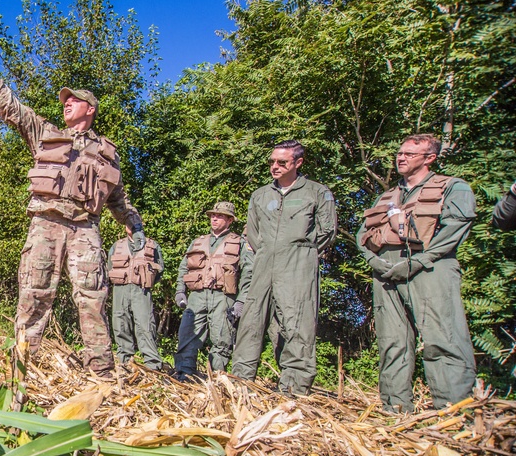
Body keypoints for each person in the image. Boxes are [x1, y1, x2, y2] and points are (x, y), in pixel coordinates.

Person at [0, 40, 144, 376]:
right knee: (34, 296)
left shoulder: (107, 152)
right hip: (46, 225)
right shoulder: (46, 134)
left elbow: (119, 199)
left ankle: (102, 373)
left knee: (93, 299)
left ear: (90, 108)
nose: (66, 104)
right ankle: (20, 370)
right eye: (65, 101)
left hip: (85, 229)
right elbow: (13, 108)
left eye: (74, 100)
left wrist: (134, 225)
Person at [356, 134, 477, 412]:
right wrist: (373, 261)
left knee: (442, 338)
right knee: (392, 342)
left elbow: (454, 231)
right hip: (385, 271)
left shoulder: (453, 188)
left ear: (429, 158)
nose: (401, 158)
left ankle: (452, 411)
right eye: (400, 153)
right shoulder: (387, 195)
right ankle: (395, 410)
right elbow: (364, 234)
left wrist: (420, 261)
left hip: (430, 269)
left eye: (410, 154)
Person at [230, 140, 338, 395]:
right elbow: (253, 233)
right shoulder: (260, 195)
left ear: (298, 163)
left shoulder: (316, 192)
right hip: (264, 261)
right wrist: (268, 250)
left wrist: (300, 250)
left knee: (297, 323)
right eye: (271, 162)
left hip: (298, 262)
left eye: (282, 162)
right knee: (251, 321)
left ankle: (293, 387)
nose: (274, 167)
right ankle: (240, 383)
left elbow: (327, 231)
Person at [173, 201, 250, 379]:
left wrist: (240, 301)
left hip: (224, 296)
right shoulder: (198, 242)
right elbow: (184, 268)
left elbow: (248, 274)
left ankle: (217, 377)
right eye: (213, 215)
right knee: (188, 334)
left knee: (222, 338)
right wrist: (180, 291)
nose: (214, 218)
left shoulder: (239, 243)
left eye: (220, 216)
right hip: (197, 295)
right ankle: (184, 374)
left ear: (230, 220)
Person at [108, 227, 164, 370]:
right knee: (120, 323)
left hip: (142, 290)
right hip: (120, 289)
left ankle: (152, 365)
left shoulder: (152, 245)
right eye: (128, 223)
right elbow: (109, 267)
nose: (131, 226)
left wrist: (145, 281)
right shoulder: (117, 245)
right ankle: (124, 362)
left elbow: (159, 270)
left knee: (145, 325)